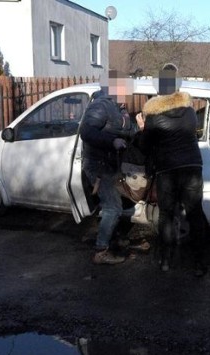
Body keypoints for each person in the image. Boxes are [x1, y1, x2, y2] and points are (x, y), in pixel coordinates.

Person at [135, 91, 207, 274]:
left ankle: (166, 261)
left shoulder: (153, 117)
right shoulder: (190, 112)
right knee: (195, 214)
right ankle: (199, 263)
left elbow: (144, 147)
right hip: (192, 166)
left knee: (166, 215)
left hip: (167, 170)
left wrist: (142, 127)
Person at [79, 73, 137, 265]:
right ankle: (101, 250)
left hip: (112, 164)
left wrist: (140, 127)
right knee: (113, 207)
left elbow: (126, 131)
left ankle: (115, 240)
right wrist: (112, 142)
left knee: (116, 204)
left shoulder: (119, 109)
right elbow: (87, 132)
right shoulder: (101, 105)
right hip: (98, 166)